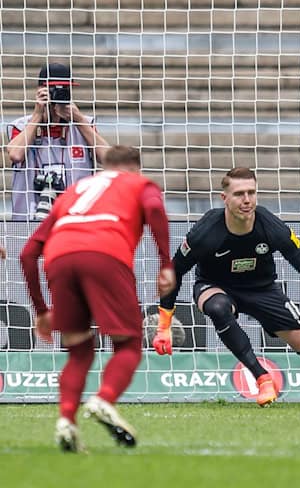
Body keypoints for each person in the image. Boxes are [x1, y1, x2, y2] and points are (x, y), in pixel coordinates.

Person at [154, 167, 300, 408]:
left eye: (251, 192)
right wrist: (164, 326)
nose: (246, 200)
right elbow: (172, 273)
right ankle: (262, 377)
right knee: (217, 308)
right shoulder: (206, 232)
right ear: (224, 198)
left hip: (262, 289)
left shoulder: (271, 226)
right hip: (216, 286)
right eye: (239, 194)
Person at [19, 145, 175, 452]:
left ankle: (66, 420)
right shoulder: (139, 183)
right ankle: (104, 399)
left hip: (59, 258)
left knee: (79, 351)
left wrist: (40, 310)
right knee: (128, 344)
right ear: (135, 168)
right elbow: (155, 209)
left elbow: (27, 254)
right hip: (106, 255)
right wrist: (165, 263)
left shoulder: (75, 190)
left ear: (103, 167)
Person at [5, 63, 110, 221]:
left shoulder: (83, 124)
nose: (58, 95)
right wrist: (37, 115)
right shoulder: (22, 126)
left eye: (65, 90)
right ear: (40, 90)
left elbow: (108, 159)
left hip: (74, 220)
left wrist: (79, 119)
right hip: (29, 221)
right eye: (54, 90)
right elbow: (15, 155)